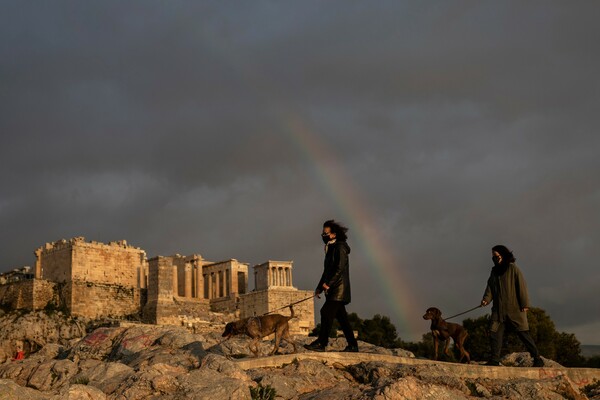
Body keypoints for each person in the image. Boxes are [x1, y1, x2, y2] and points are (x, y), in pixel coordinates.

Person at [480, 245, 543, 367]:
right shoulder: (494, 271)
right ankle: (494, 360)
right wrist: (485, 300)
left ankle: (537, 358)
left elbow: (522, 286)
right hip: (498, 311)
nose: (495, 259)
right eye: (493, 257)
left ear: (503, 255)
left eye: (497, 256)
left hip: (515, 309)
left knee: (523, 334)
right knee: (494, 333)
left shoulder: (513, 269)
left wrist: (525, 304)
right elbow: (490, 288)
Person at [304, 220, 359, 352]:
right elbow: (327, 271)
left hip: (338, 290)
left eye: (325, 233)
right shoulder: (331, 248)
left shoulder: (340, 247)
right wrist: (319, 287)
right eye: (323, 233)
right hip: (334, 289)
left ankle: (322, 343)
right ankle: (353, 345)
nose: (323, 235)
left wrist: (328, 284)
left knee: (325, 312)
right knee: (343, 319)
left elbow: (339, 269)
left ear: (333, 234)